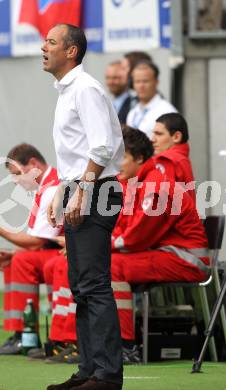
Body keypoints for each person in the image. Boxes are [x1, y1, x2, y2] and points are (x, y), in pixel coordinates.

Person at [42, 23, 124, 390]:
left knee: (93, 284)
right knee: (80, 285)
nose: (44, 48)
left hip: (96, 189)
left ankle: (107, 375)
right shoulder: (67, 91)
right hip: (82, 186)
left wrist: (81, 191)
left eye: (52, 42)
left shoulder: (85, 89)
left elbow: (102, 146)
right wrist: (63, 190)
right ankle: (89, 370)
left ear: (71, 51)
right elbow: (75, 153)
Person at [110, 128, 209, 349]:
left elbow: (136, 237)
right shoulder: (138, 183)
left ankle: (123, 347)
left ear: (139, 158)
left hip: (186, 260)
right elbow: (124, 228)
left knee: (111, 266)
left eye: (121, 158)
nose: (116, 165)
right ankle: (95, 342)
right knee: (98, 263)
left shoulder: (156, 186)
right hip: (168, 254)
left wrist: (102, 247)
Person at [0, 143, 61, 355]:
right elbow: (37, 240)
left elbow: (36, 242)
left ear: (33, 164)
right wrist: (13, 253)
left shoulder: (53, 188)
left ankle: (26, 337)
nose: (15, 181)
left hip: (67, 252)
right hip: (55, 250)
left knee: (22, 260)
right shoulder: (44, 188)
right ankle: (21, 335)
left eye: (17, 174)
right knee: (15, 261)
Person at [126, 61, 177, 139]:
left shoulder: (167, 111)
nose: (141, 86)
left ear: (156, 82)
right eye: (137, 81)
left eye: (145, 81)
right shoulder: (132, 113)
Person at [152, 112, 196, 202]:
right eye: (153, 133)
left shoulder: (166, 159)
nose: (152, 139)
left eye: (159, 134)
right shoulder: (181, 158)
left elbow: (159, 202)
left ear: (176, 137)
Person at [105, 61, 132, 125]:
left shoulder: (134, 103)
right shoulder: (107, 103)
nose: (110, 82)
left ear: (126, 78)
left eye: (115, 78)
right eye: (108, 78)